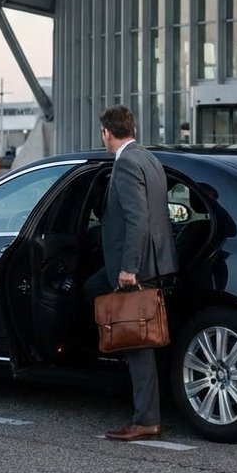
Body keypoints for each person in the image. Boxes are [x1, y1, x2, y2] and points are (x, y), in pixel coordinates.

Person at [87, 104, 178, 442]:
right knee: (96, 294)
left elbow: (137, 219)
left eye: (102, 133)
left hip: (138, 267)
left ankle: (146, 420)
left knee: (138, 343)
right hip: (157, 260)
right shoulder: (148, 158)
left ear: (107, 132)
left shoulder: (125, 163)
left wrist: (129, 268)